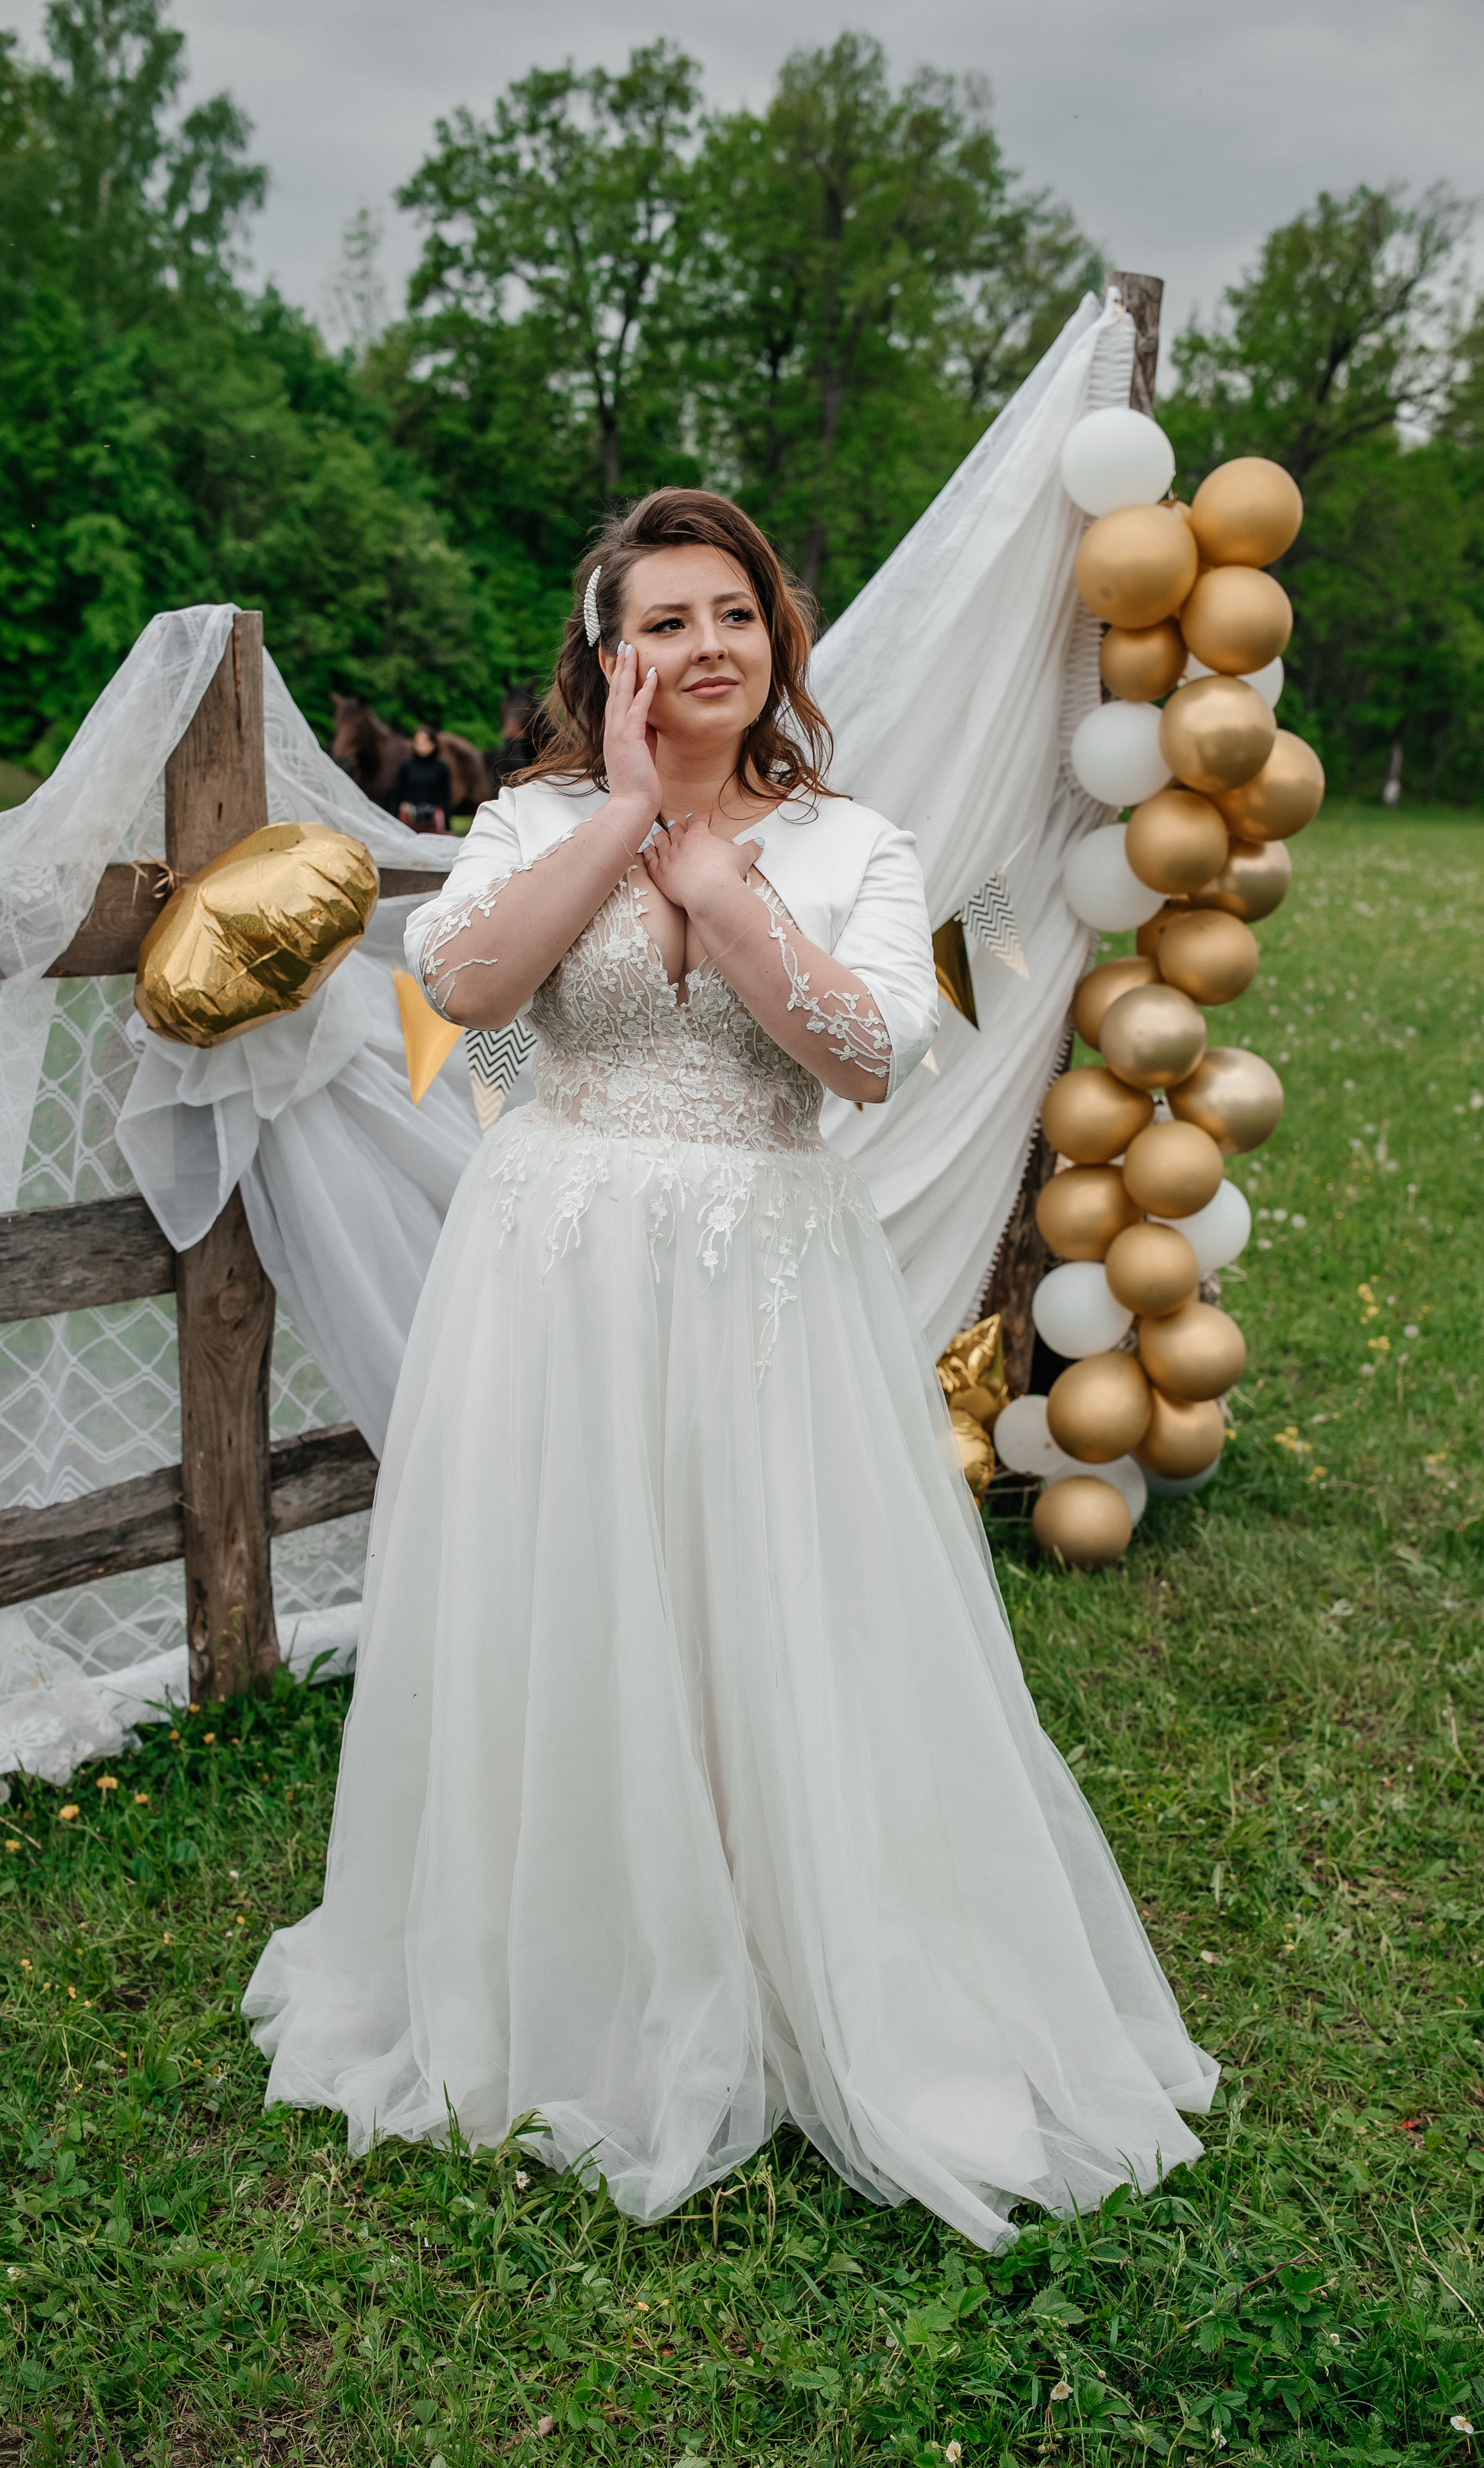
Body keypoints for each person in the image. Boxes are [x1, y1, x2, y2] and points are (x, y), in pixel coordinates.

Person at [243, 487, 1216, 2250]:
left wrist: (726, 894)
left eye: (736, 614)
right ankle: (583, 1943)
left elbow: (866, 1059)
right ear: (607, 654)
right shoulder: (534, 814)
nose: (707, 646)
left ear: (780, 639)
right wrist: (624, 822)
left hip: (765, 1272)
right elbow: (459, 985)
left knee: (765, 1595)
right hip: (554, 1265)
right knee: (568, 1591)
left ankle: (790, 1933)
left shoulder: (857, 846)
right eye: (667, 619)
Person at [394, 724, 452, 832]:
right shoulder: (406, 766)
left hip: (432, 818)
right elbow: (399, 795)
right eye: (417, 741)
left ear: (433, 743)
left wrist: (448, 827)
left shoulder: (441, 768)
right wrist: (393, 821)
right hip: (409, 817)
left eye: (425, 742)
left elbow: (446, 798)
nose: (421, 745)